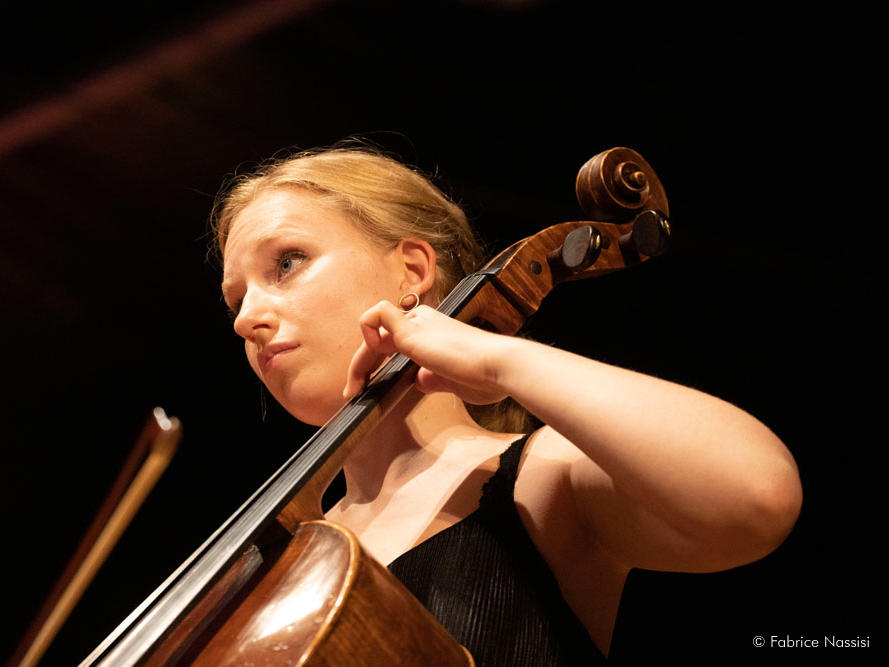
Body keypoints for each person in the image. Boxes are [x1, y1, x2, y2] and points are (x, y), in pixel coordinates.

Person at [212, 143, 801, 664]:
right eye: (236, 300)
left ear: (411, 271)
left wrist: (499, 360)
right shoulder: (267, 565)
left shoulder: (537, 481)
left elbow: (757, 493)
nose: (245, 319)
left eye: (286, 263)